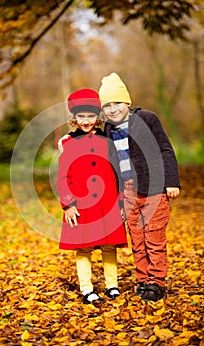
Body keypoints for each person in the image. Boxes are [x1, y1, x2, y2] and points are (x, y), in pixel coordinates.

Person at [98, 73, 181, 302]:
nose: (112, 109)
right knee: (137, 238)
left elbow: (165, 149)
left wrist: (171, 181)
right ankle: (143, 279)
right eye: (107, 106)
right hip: (128, 191)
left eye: (116, 103)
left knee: (153, 237)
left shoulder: (147, 118)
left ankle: (156, 282)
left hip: (153, 187)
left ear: (127, 102)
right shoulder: (107, 130)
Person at [57, 88, 127, 304]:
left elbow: (117, 172)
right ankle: (87, 288)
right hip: (81, 204)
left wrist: (122, 202)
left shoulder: (107, 141)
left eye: (90, 116)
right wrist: (68, 204)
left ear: (97, 117)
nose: (86, 121)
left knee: (109, 245)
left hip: (107, 203)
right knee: (84, 247)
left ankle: (112, 285)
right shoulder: (68, 144)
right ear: (74, 118)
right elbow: (63, 177)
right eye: (81, 116)